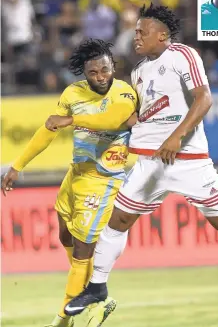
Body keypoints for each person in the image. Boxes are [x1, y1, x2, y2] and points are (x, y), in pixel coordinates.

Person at [55, 3, 218, 326]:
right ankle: (96, 287)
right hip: (150, 163)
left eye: (142, 31)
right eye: (135, 31)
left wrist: (177, 136)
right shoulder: (138, 71)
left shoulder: (182, 55)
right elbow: (140, 117)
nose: (136, 36)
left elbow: (204, 98)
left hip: (188, 160)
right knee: (117, 222)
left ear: (162, 35)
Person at [1, 39, 137, 327]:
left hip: (104, 180)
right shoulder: (72, 93)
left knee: (83, 249)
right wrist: (17, 165)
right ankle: (98, 299)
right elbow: (48, 129)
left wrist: (71, 120)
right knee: (65, 235)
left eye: (105, 70)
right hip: (76, 174)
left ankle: (65, 316)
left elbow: (113, 120)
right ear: (84, 74)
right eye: (93, 73)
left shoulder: (124, 92)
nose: (101, 77)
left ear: (113, 65)